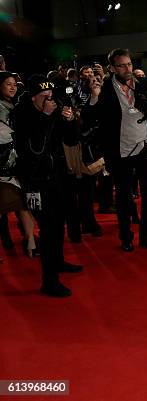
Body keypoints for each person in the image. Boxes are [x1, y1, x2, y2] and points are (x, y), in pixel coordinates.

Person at [83, 48, 147, 252]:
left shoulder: (143, 83)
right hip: (119, 150)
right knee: (124, 197)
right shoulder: (105, 88)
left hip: (145, 146)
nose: (127, 68)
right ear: (112, 68)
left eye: (129, 64)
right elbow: (90, 116)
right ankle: (126, 237)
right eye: (122, 65)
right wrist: (94, 96)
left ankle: (146, 236)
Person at [14, 75, 83, 297]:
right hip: (35, 179)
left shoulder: (54, 112)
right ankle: (49, 280)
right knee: (48, 227)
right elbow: (34, 147)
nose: (49, 102)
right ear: (33, 97)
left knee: (59, 222)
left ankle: (58, 262)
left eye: (51, 97)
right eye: (44, 98)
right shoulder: (22, 115)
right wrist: (45, 116)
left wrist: (70, 120)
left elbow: (72, 140)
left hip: (58, 176)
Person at [0, 71, 38, 258]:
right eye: (8, 83)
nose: (13, 86)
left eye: (14, 83)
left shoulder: (19, 105)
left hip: (22, 163)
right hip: (3, 165)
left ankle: (31, 242)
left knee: (25, 205)